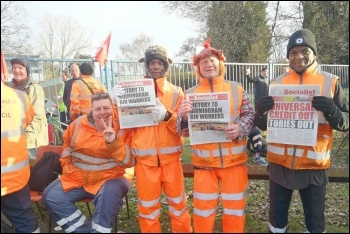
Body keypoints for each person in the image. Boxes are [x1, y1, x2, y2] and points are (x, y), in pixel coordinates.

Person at [255, 29, 349, 233]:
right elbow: (263, 126)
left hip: (313, 165)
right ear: (288, 56)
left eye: (305, 50)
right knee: (277, 222)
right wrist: (260, 112)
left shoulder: (330, 82)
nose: (299, 56)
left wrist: (332, 111)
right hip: (280, 164)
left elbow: (346, 122)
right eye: (293, 52)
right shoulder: (276, 83)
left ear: (314, 53)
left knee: (315, 222)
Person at [111, 45, 192, 233]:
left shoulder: (176, 92)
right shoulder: (132, 90)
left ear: (166, 65)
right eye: (152, 62)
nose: (156, 66)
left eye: (159, 62)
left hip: (172, 162)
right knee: (148, 210)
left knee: (179, 206)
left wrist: (167, 116)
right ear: (146, 65)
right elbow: (120, 125)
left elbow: (184, 130)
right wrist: (115, 103)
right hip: (145, 164)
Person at [176, 38, 255, 233]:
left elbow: (250, 114)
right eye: (204, 62)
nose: (209, 65)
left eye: (212, 61)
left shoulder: (237, 88)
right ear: (198, 68)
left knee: (235, 209)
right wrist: (184, 116)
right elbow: (181, 130)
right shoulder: (189, 94)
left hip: (234, 163)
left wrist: (240, 128)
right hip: (204, 165)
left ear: (220, 64)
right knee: (203, 210)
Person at [43, 92, 134, 233]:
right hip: (78, 177)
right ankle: (85, 230)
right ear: (92, 109)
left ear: (113, 107)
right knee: (51, 196)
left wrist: (113, 142)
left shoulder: (123, 126)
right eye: (98, 109)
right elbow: (66, 148)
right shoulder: (78, 124)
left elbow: (130, 162)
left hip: (113, 178)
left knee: (108, 198)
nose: (102, 112)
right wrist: (68, 169)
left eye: (106, 108)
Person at [1, 79, 40, 233]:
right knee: (25, 221)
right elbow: (28, 120)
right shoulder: (21, 97)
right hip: (14, 178)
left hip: (14, 178)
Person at [7, 57, 48, 163]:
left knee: (30, 170)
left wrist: (23, 136)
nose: (16, 70)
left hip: (30, 141)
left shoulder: (34, 88)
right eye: (14, 67)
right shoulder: (10, 87)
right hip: (14, 139)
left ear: (27, 71)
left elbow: (36, 116)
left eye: (20, 68)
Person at [245, 67, 268, 165]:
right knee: (256, 128)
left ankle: (258, 152)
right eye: (266, 71)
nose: (266, 73)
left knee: (257, 130)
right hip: (259, 105)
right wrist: (247, 74)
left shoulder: (267, 81)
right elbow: (250, 80)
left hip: (266, 106)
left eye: (267, 72)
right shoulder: (258, 79)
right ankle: (256, 150)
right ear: (262, 71)